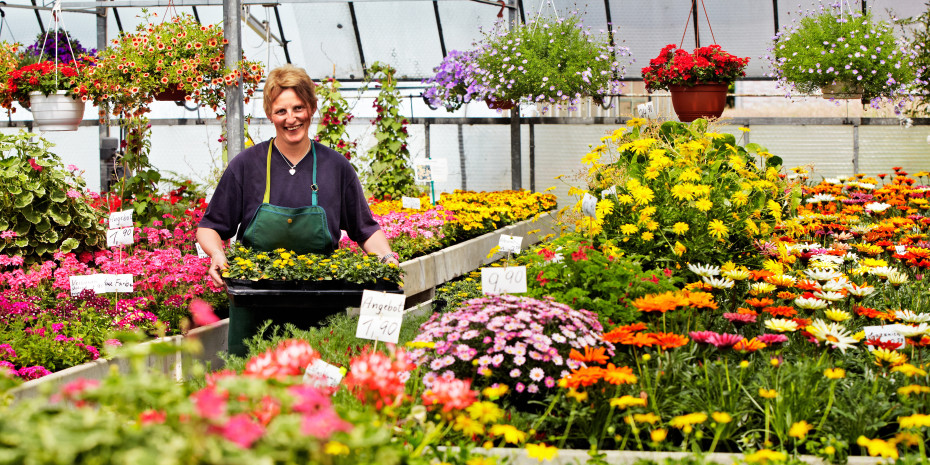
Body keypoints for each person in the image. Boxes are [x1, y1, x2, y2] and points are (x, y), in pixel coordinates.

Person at [196, 64, 399, 356]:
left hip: (321, 305)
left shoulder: (335, 166)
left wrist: (387, 259)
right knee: (254, 394)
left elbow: (365, 229)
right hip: (255, 305)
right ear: (269, 115)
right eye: (281, 111)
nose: (291, 119)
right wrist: (217, 253)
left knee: (319, 394)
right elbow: (211, 226)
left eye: (298, 108)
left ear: (312, 108)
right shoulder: (247, 165)